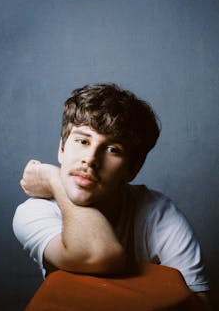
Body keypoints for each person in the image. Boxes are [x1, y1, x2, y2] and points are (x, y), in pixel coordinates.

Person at [13, 83, 210, 305]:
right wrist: (56, 180)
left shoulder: (157, 212)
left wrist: (53, 178)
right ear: (61, 149)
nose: (90, 158)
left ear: (133, 169)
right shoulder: (34, 212)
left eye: (112, 149)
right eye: (82, 141)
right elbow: (98, 254)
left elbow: (200, 303)